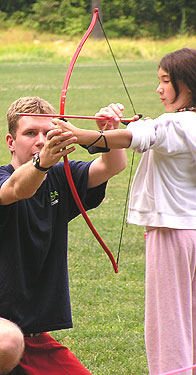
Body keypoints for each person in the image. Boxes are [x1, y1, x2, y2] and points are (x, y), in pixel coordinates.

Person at [0, 96, 127, 374]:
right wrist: (42, 164)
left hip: (33, 339)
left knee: (14, 341)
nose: (41, 140)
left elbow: (111, 166)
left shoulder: (61, 176)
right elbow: (20, 188)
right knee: (6, 342)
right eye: (30, 133)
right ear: (11, 141)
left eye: (48, 132)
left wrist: (108, 133)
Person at [53, 48, 196, 374]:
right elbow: (143, 133)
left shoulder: (174, 124)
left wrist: (75, 134)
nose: (159, 90)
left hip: (171, 234)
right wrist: (118, 127)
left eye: (164, 81)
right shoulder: (184, 124)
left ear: (186, 83)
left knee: (169, 321)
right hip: (192, 230)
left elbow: (132, 138)